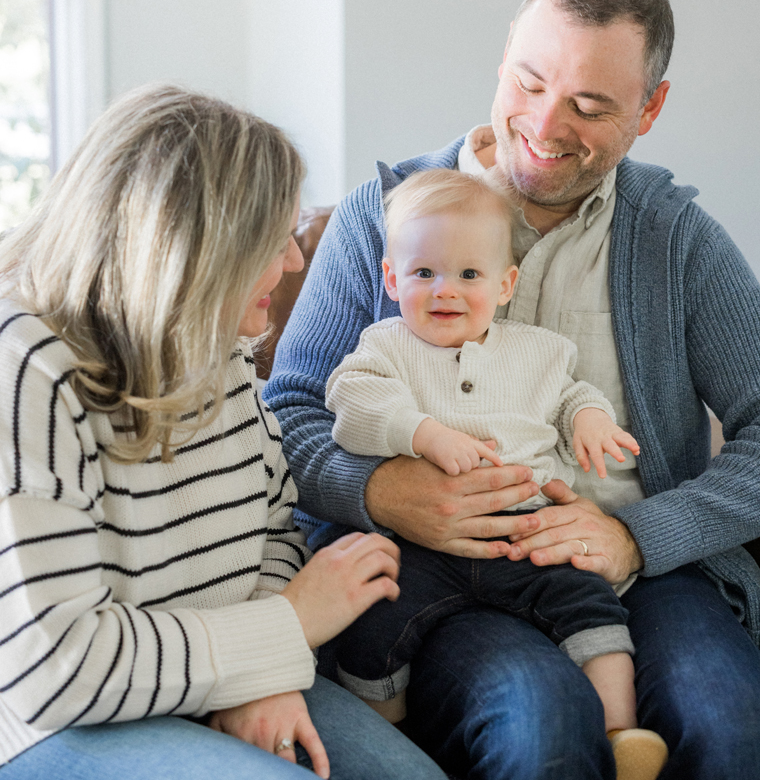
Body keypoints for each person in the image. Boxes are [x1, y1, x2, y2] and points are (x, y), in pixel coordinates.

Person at [266, 0, 760, 780]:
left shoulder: (673, 239)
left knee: (730, 726)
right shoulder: (386, 216)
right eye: (530, 83)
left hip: (638, 569)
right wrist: (383, 491)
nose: (545, 124)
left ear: (650, 109)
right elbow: (287, 411)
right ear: (504, 55)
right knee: (540, 721)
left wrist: (635, 537)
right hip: (441, 572)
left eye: (590, 105)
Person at [0, 85, 446, 780]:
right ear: (189, 250)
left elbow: (276, 527)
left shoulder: (215, 347)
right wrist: (286, 628)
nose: (295, 260)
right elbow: (56, 669)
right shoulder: (26, 369)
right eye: (269, 238)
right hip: (53, 726)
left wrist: (259, 671)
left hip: (215, 676)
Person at [326, 168, 667, 780]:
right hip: (426, 541)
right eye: (423, 273)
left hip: (529, 533)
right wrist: (423, 434)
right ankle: (386, 734)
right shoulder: (385, 347)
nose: (444, 292)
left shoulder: (539, 350)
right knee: (373, 615)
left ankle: (621, 732)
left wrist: (589, 419)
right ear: (390, 277)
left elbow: (569, 395)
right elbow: (351, 403)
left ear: (506, 284)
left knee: (592, 607)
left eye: (469, 275)